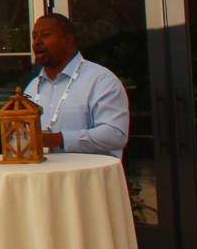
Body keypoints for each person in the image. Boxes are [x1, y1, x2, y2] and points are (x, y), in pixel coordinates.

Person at [25, 13, 130, 154]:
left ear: (68, 40)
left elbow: (115, 135)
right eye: (34, 37)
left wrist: (60, 139)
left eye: (45, 35)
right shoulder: (32, 87)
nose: (37, 42)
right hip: (41, 174)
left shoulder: (100, 80)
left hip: (87, 175)